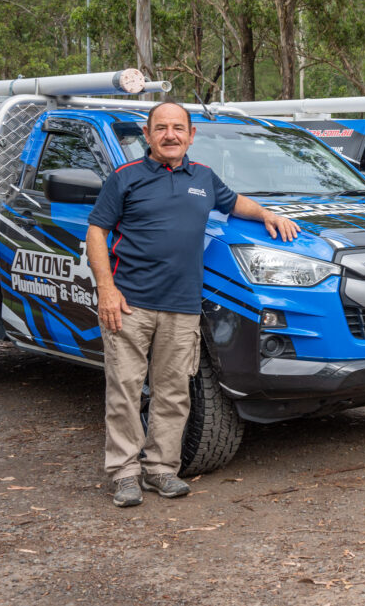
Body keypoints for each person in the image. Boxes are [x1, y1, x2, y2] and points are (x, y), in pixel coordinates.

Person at [86, 101, 300, 507]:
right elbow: (96, 231)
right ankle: (125, 474)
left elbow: (234, 203)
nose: (170, 135)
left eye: (178, 128)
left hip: (182, 306)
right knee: (125, 391)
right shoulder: (125, 177)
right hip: (130, 304)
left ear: (190, 135)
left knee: (173, 392)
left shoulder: (203, 177)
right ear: (147, 135)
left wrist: (267, 215)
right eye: (161, 128)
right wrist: (106, 289)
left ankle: (160, 470)